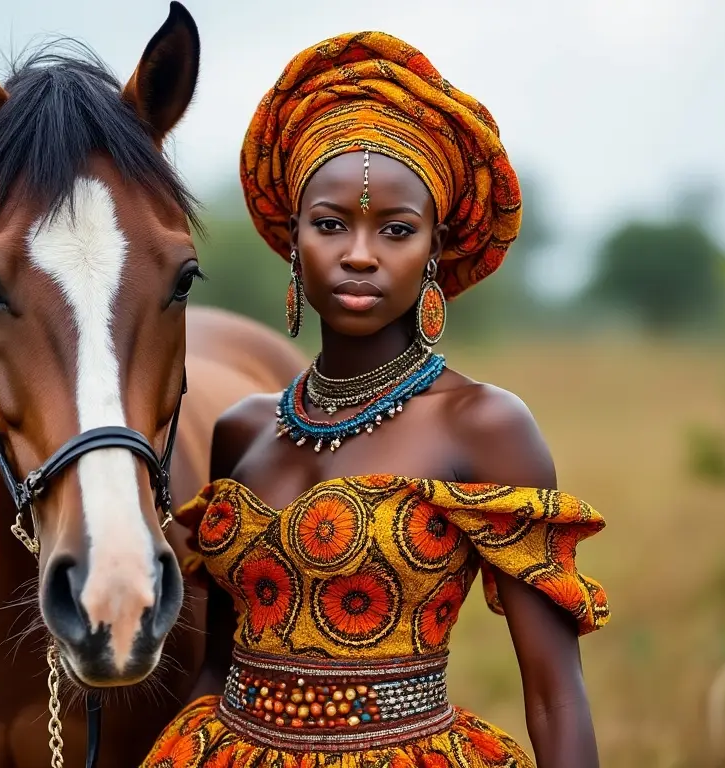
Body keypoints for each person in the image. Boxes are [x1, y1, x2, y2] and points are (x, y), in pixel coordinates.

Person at [144, 31, 609, 768]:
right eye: (330, 224)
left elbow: (554, 693)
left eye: (396, 230)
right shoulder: (239, 432)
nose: (360, 253)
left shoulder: (484, 426)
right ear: (293, 239)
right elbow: (214, 666)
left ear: (434, 248)